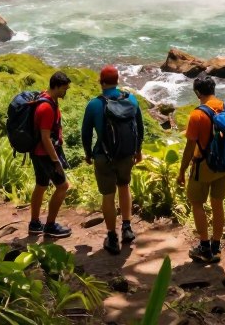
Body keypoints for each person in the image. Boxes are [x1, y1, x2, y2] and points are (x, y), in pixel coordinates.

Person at [177, 74, 225, 263]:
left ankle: (204, 247)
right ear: (214, 89)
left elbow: (190, 147)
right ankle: (216, 245)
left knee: (197, 203)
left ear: (198, 93)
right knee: (217, 204)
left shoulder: (197, 115)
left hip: (204, 166)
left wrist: (182, 171)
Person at [81, 65, 144, 254]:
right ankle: (127, 228)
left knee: (108, 196)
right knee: (124, 187)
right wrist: (138, 150)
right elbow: (140, 128)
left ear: (101, 82)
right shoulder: (131, 99)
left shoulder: (94, 104)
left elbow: (85, 133)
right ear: (118, 80)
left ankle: (112, 237)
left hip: (103, 155)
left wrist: (88, 154)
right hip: (126, 154)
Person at [28, 71, 73, 238]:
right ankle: (50, 225)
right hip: (45, 154)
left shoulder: (46, 98)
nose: (65, 92)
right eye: (64, 89)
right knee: (62, 186)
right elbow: (45, 138)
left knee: (41, 185)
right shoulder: (46, 107)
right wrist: (56, 161)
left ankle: (34, 224)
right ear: (56, 86)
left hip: (37, 153)